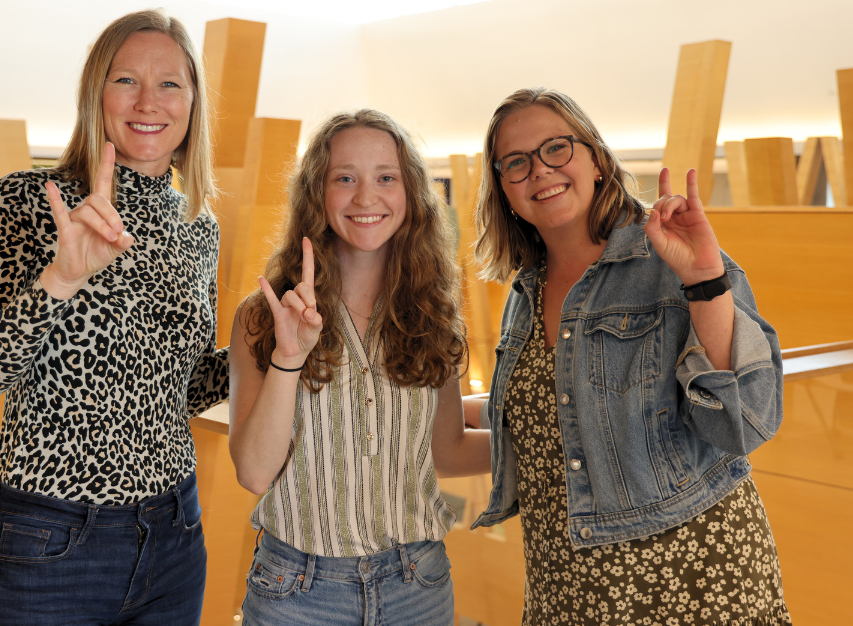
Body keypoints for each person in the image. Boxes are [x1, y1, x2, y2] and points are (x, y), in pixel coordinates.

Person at [0, 9, 226, 626]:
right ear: (95, 92)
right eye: (126, 80)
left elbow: (180, 389)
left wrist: (262, 345)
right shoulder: (28, 202)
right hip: (48, 540)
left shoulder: (199, 226)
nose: (149, 101)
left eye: (170, 83)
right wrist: (60, 280)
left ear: (193, 101)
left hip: (174, 534)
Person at [469, 88, 790, 625]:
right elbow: (554, 412)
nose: (540, 171)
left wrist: (704, 283)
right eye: (516, 163)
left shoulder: (673, 257)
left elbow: (747, 423)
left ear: (595, 158)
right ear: (503, 187)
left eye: (556, 148)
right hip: (566, 585)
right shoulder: (524, 294)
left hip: (689, 583)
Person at [227, 109, 491, 626]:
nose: (366, 198)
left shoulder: (436, 314)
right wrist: (288, 358)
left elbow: (447, 449)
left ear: (411, 194)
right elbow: (255, 472)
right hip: (296, 591)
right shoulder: (263, 315)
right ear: (316, 195)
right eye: (344, 178)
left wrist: (553, 439)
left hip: (418, 584)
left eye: (386, 178)